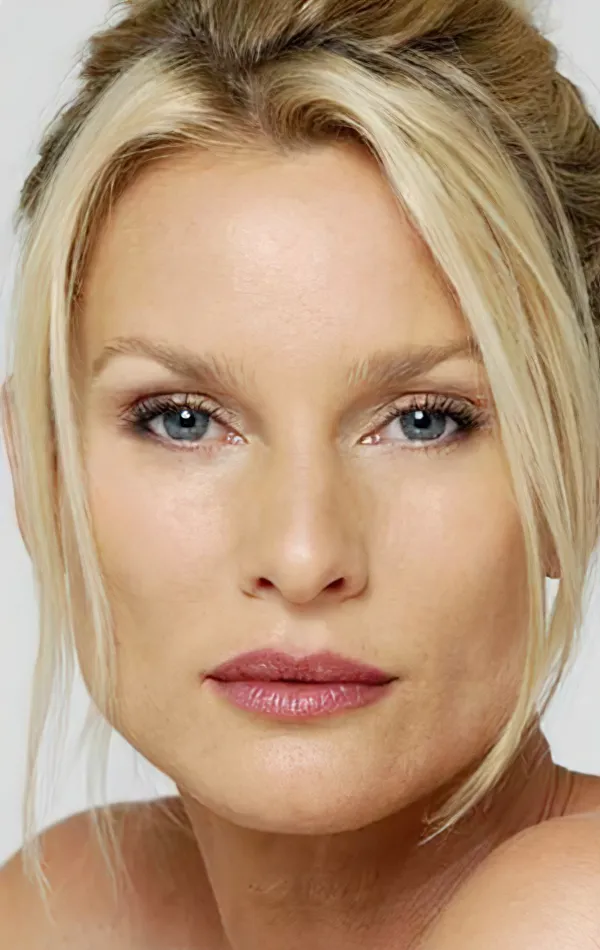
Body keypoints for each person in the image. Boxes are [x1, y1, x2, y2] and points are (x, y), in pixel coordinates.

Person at [1, 0, 600, 946]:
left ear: (578, 470)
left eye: (425, 421)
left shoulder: (574, 910)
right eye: (183, 420)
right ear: (38, 469)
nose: (303, 554)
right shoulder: (69, 907)